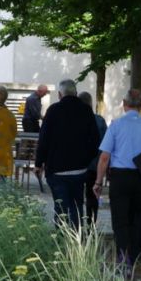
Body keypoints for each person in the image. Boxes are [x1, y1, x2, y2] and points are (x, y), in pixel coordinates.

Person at [93, 89, 141, 269]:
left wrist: (98, 181)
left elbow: (104, 157)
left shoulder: (115, 126)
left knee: (120, 218)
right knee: (139, 218)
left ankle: (123, 256)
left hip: (120, 177)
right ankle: (135, 254)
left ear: (124, 104)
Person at [35, 80, 101, 229]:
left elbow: (43, 139)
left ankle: (62, 241)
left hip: (57, 170)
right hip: (80, 170)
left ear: (59, 94)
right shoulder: (86, 110)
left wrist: (38, 164)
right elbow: (95, 140)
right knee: (77, 207)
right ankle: (76, 240)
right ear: (76, 93)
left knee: (61, 209)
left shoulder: (53, 110)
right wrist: (86, 159)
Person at [78, 91, 108, 224]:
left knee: (77, 196)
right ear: (91, 103)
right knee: (92, 196)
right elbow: (105, 145)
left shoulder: (74, 120)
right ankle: (91, 224)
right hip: (95, 165)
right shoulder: (100, 120)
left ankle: (77, 223)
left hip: (77, 165)